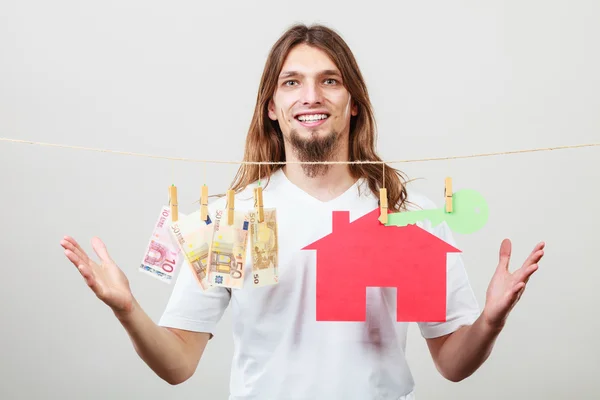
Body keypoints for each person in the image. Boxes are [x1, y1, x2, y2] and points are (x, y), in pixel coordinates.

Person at [61, 23, 545, 399]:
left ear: (352, 101)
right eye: (292, 83)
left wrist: (489, 322)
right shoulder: (229, 216)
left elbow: (452, 363)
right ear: (273, 106)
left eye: (328, 81)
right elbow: (178, 364)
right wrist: (127, 311)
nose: (310, 96)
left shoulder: (406, 213)